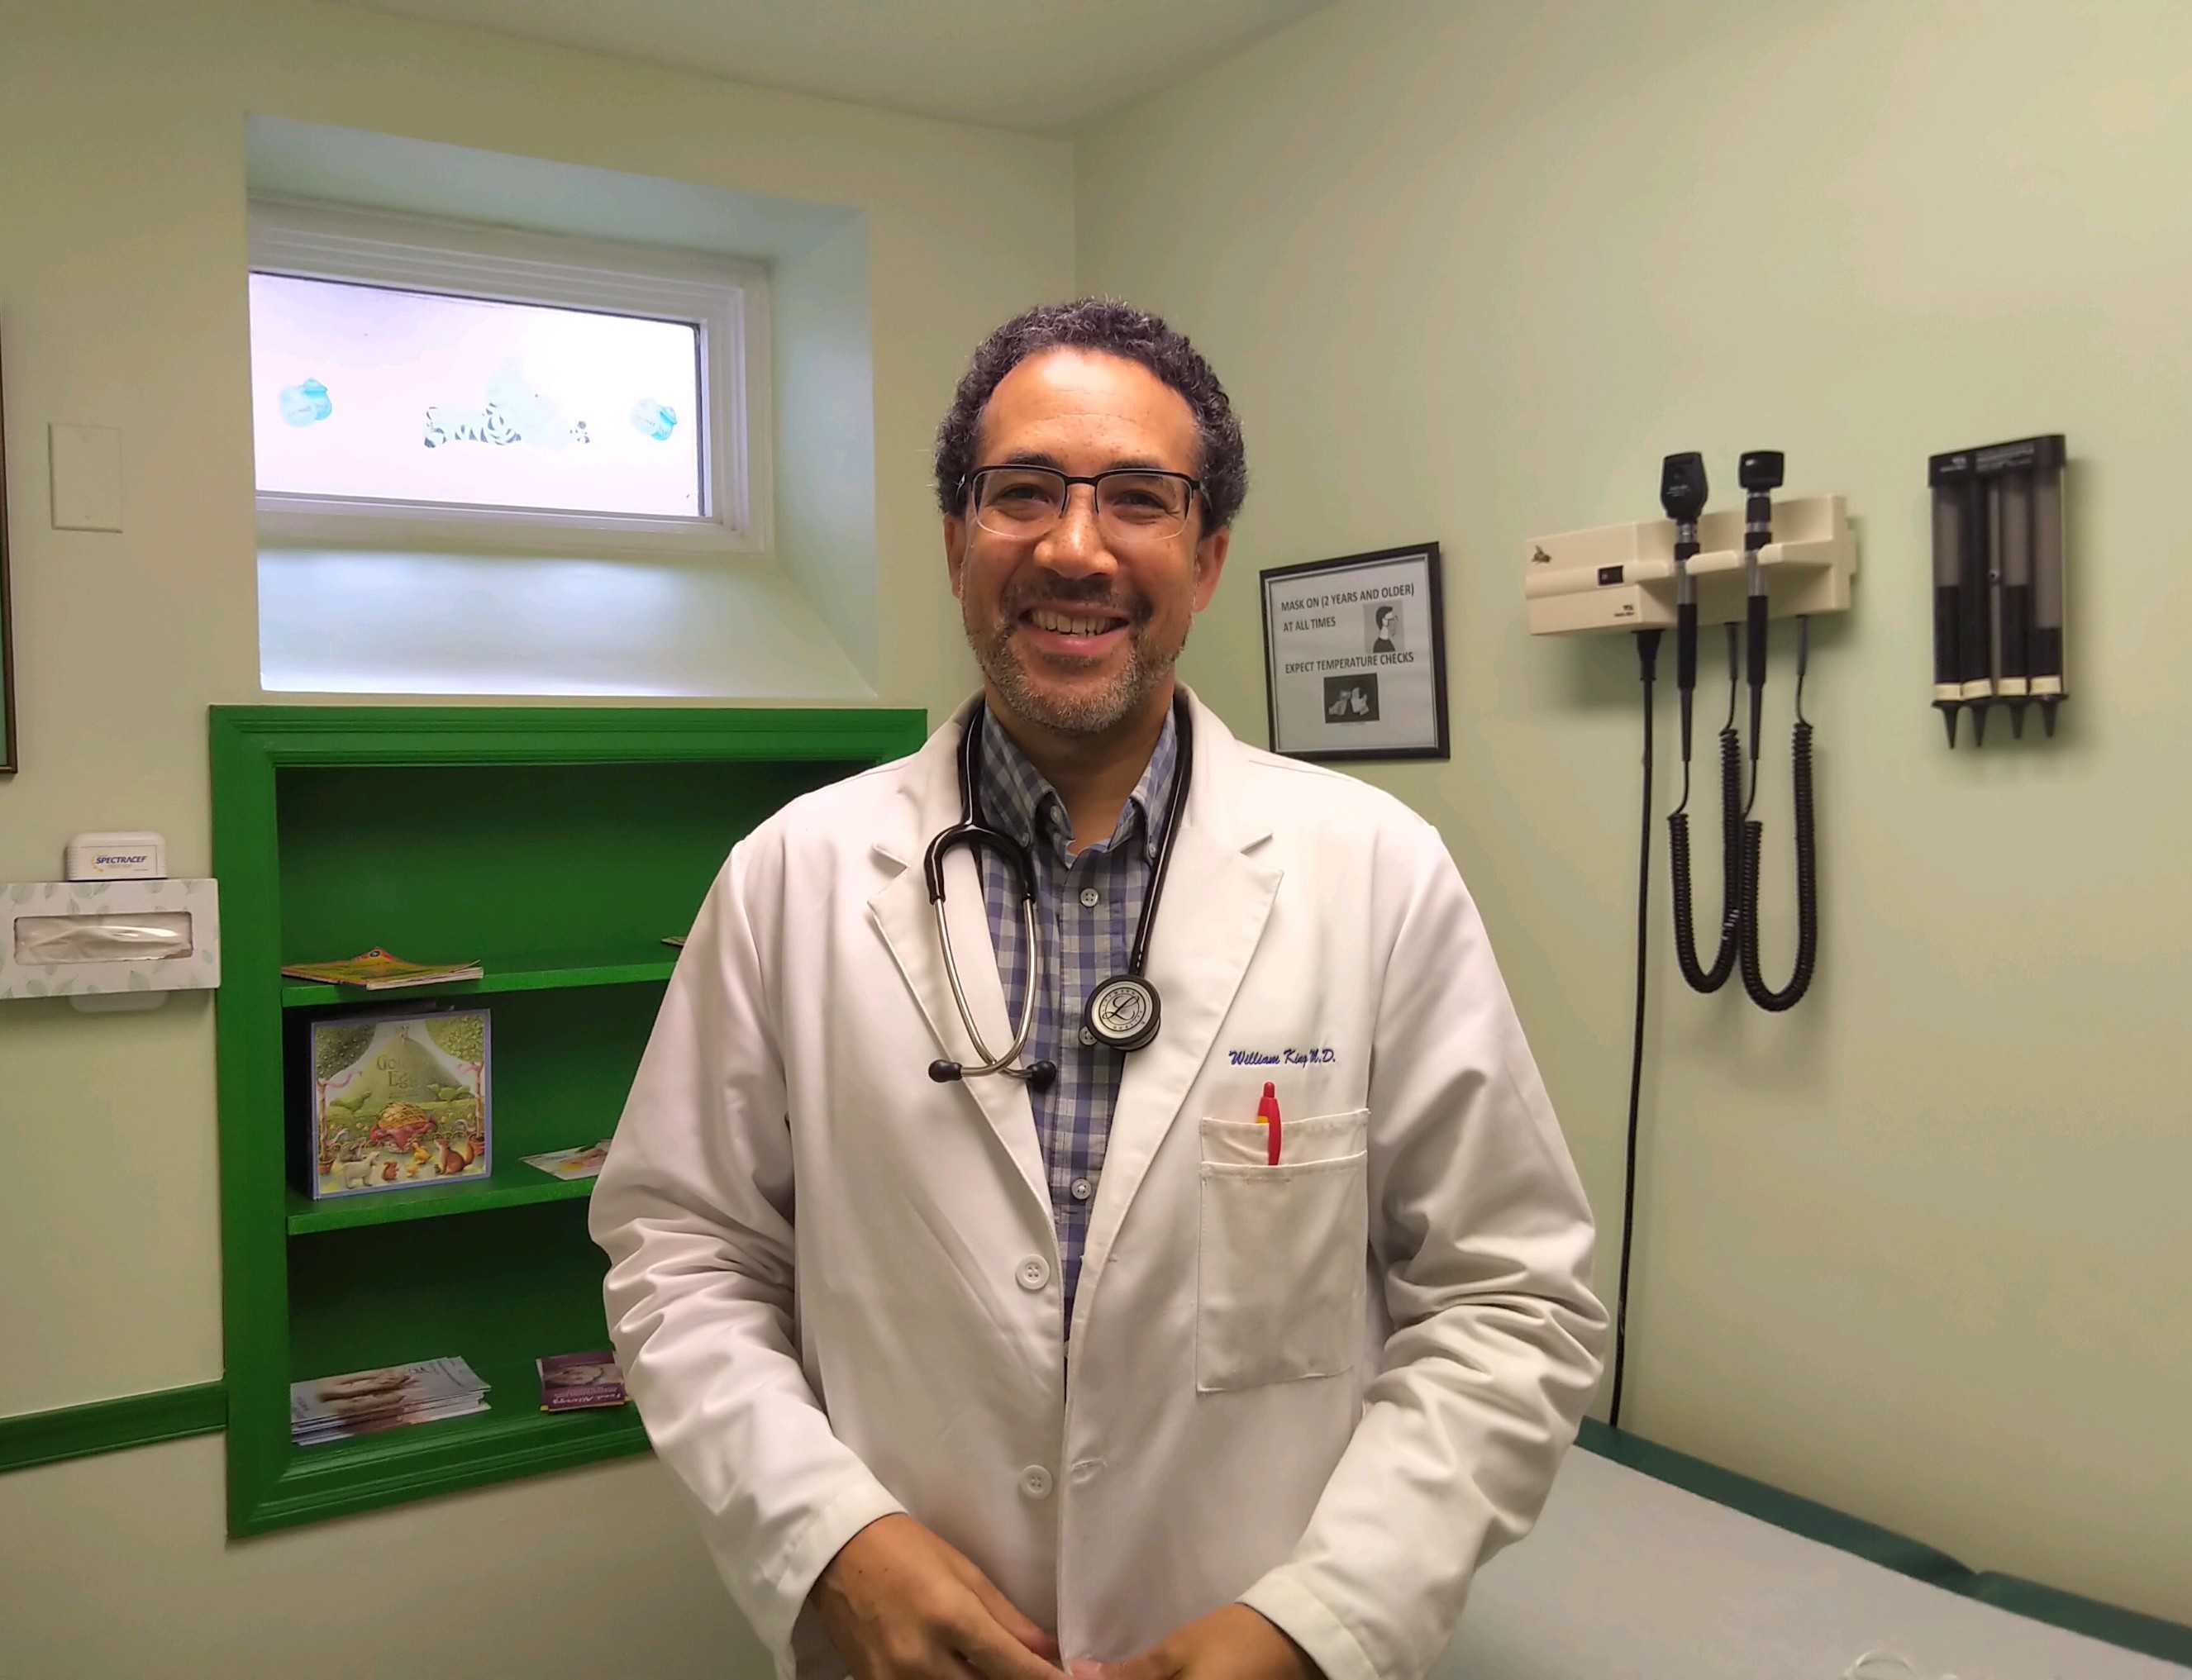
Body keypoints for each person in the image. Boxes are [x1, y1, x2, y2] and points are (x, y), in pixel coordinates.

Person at [589, 300, 1605, 1680]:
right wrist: (828, 1540)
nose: (1075, 547)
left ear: (1206, 553)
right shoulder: (793, 876)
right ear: (956, 540)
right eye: (1021, 494)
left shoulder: (1375, 872)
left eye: (1138, 497)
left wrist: (1323, 1622)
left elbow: (1510, 1300)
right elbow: (683, 1255)